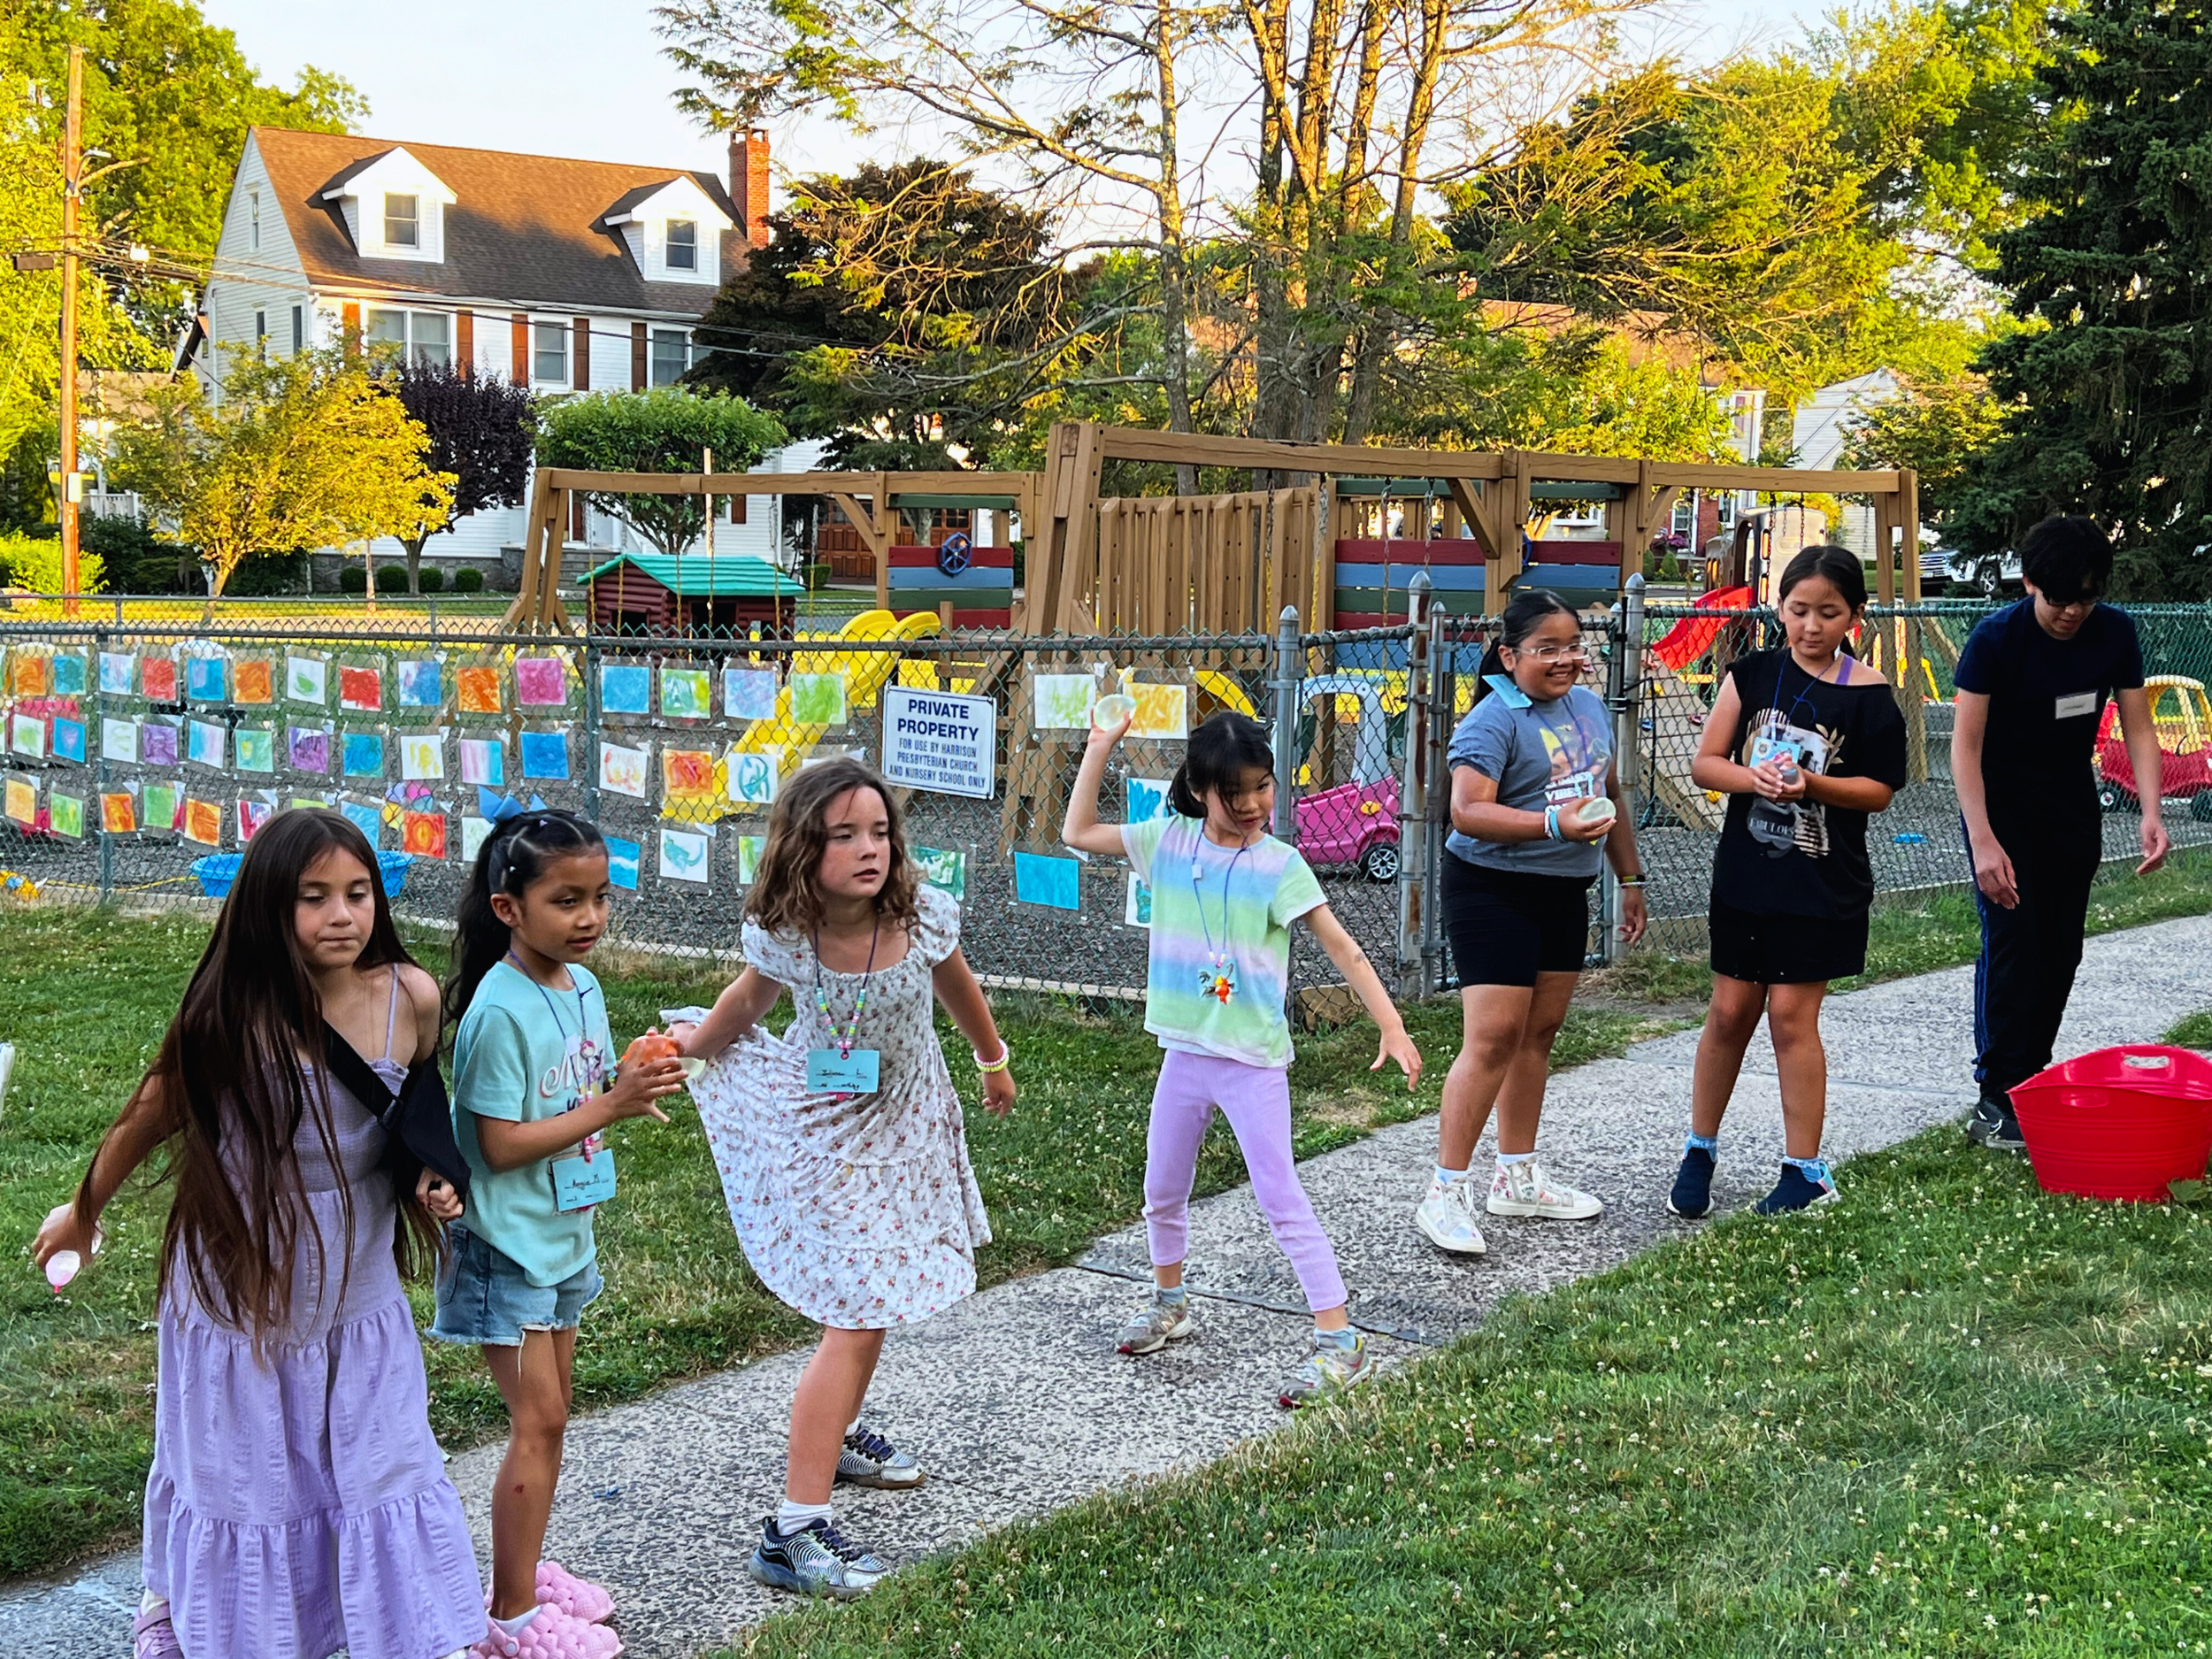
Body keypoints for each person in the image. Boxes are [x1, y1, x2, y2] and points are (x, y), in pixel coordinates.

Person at [33, 809, 486, 1659]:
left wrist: (431, 1174)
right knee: (248, 1476)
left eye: (357, 893)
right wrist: (82, 1213)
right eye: (312, 897)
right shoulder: (232, 1016)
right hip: (246, 1287)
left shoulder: (410, 997)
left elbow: (415, 1112)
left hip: (355, 1289)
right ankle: (207, 1615)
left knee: (382, 1463)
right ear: (268, 908)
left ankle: (401, 1631)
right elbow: (144, 1118)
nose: (341, 915)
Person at [677, 758, 1014, 1600]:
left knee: (879, 1288)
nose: (870, 849)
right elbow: (745, 1004)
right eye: (844, 835)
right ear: (802, 848)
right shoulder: (790, 938)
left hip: (905, 1121)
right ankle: (793, 1528)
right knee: (858, 1303)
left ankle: (843, 1432)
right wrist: (686, 1055)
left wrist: (993, 1058)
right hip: (828, 1125)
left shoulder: (922, 917)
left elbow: (957, 987)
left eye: (880, 832)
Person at [1063, 708, 1421, 1409]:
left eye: (1264, 786)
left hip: (1252, 1061)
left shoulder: (1279, 865)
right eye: (1237, 792)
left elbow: (1342, 946)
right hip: (1185, 1053)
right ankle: (1170, 1300)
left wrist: (1392, 1025)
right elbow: (1077, 831)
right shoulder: (1165, 842)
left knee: (1280, 1197)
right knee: (1162, 1188)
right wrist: (1101, 745)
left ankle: (1339, 1341)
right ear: (1199, 789)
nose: (1255, 803)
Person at [434, 808, 687, 1656]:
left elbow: (579, 1094)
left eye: (601, 898)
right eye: (565, 900)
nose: (588, 918)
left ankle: (525, 1568)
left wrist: (631, 1077)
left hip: (561, 1233)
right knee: (536, 1423)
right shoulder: (495, 1013)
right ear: (509, 909)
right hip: (505, 1248)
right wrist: (609, 1103)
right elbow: (498, 1147)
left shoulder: (582, 988)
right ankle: (506, 1619)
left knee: (553, 1417)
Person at [1668, 547, 1908, 1218]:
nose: (1810, 626)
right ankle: (1699, 1148)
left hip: (1822, 884)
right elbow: (1707, 764)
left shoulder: (1871, 696)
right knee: (1728, 1013)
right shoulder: (1751, 675)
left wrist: (1815, 784)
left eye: (1828, 613)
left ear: (1855, 615)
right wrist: (1757, 779)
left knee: (1790, 1018)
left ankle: (1804, 1169)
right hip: (1745, 875)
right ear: (1779, 609)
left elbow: (1879, 790)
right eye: (1798, 610)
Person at [1415, 590, 1647, 1259]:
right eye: (1547, 648)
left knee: (1538, 1034)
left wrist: (1629, 877)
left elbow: (1610, 792)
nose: (1566, 659)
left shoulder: (1589, 707)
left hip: (1563, 888)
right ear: (1510, 655)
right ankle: (1445, 1192)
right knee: (1492, 1037)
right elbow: (1466, 811)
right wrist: (1554, 823)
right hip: (1491, 887)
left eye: (1573, 645)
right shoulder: (1492, 722)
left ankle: (1516, 1176)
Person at [1953, 514, 2170, 1148]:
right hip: (2002, 808)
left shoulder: (2114, 632)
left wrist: (2151, 812)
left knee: (2060, 948)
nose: (2072, 611)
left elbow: (2137, 725)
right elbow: (1964, 747)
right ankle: (1996, 1097)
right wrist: (1983, 839)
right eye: (2058, 599)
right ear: (2029, 584)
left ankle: (2032, 1080)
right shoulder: (1996, 639)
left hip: (2071, 806)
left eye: (2085, 598)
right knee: (2013, 945)